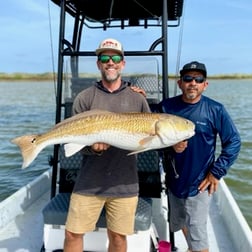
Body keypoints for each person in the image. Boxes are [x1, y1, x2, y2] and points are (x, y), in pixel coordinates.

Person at [63, 38, 151, 252]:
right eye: (104, 57)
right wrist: (92, 148)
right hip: (89, 181)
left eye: (115, 57)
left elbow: (150, 134)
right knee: (72, 233)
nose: (110, 62)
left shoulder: (138, 98)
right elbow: (72, 140)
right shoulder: (84, 98)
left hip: (125, 182)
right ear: (98, 64)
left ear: (123, 63)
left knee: (119, 237)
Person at [159, 61, 241, 252]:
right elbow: (143, 129)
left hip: (199, 184)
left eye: (198, 79)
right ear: (180, 83)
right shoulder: (166, 107)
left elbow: (234, 142)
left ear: (205, 84)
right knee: (179, 224)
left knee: (199, 239)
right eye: (188, 78)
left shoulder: (216, 110)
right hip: (173, 182)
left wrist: (216, 172)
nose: (193, 83)